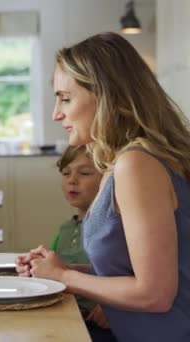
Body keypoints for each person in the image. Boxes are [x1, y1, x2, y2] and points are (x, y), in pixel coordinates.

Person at [16, 32, 190, 341]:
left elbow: (155, 294)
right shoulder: (125, 161)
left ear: (108, 95)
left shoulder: (137, 164)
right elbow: (134, 271)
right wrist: (62, 269)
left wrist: (62, 276)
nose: (57, 113)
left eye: (66, 98)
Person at [51, 145, 111, 339]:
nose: (72, 180)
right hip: (67, 315)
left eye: (84, 173)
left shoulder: (112, 229)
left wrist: (110, 305)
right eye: (66, 173)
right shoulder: (65, 229)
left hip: (100, 325)